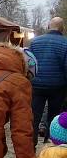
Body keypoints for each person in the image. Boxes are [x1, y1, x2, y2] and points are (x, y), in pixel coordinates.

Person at [29, 17, 67, 147]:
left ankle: (31, 144)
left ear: (48, 26)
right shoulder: (65, 44)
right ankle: (49, 145)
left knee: (34, 117)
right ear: (62, 28)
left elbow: (30, 65)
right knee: (53, 116)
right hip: (57, 87)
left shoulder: (35, 42)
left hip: (36, 85)